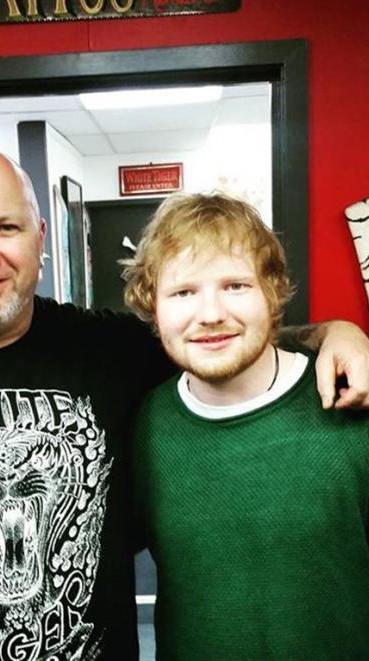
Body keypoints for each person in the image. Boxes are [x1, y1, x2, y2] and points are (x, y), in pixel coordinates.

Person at [0, 148, 366, 661]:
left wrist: (337, 334)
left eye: (6, 227)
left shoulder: (111, 351)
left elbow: (222, 342)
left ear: (40, 237)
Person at [124, 192, 369, 661]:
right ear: (152, 306)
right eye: (183, 292)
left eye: (235, 285)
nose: (211, 314)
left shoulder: (349, 399)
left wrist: (341, 330)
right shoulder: (144, 425)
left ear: (272, 291)